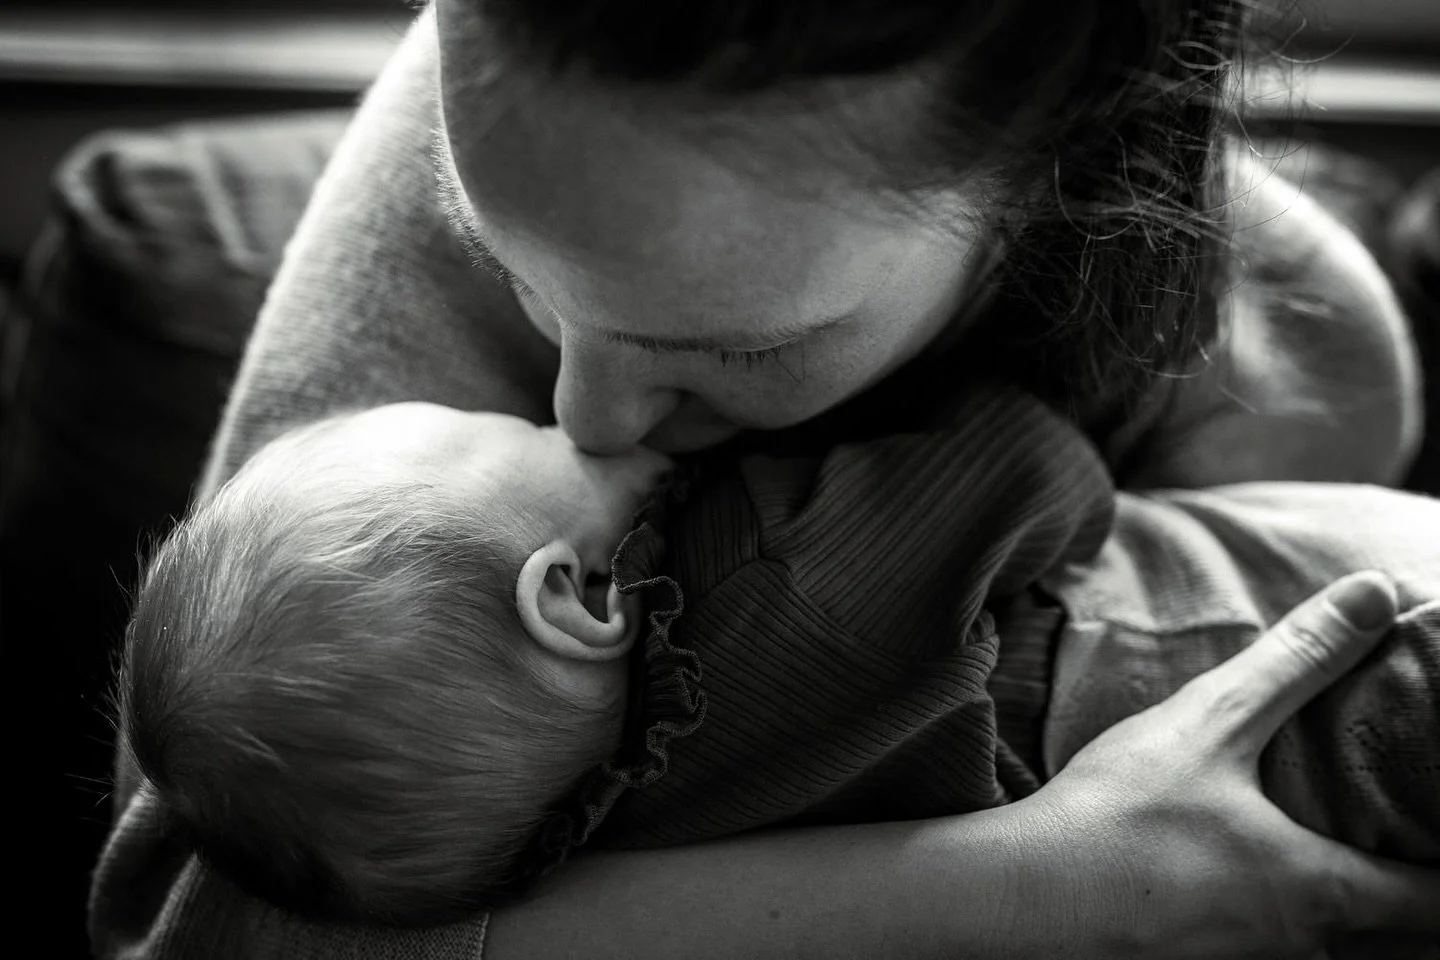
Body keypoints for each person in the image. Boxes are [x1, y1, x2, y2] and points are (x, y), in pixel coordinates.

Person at [90, 1, 1440, 957]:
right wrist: (1017, 895)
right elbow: (185, 922)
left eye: (736, 344)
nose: (588, 414)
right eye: (516, 276)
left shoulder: (1285, 361)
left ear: (1043, 194)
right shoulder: (514, 90)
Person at [117, 390, 1436, 936]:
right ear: (570, 598)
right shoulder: (770, 571)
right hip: (1312, 675)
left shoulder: (628, 835)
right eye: (503, 421)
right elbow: (1041, 468)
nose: (579, 406)